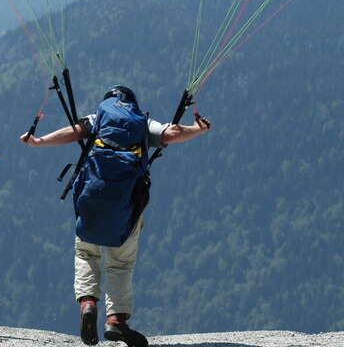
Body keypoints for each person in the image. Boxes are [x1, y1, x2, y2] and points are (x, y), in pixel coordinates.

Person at [19, 85, 211, 346]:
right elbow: (172, 133)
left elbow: (74, 132)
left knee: (86, 252)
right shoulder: (142, 122)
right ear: (133, 103)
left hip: (91, 198)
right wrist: (198, 128)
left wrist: (39, 141)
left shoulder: (98, 117)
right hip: (126, 203)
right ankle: (116, 321)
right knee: (120, 263)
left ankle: (88, 303)